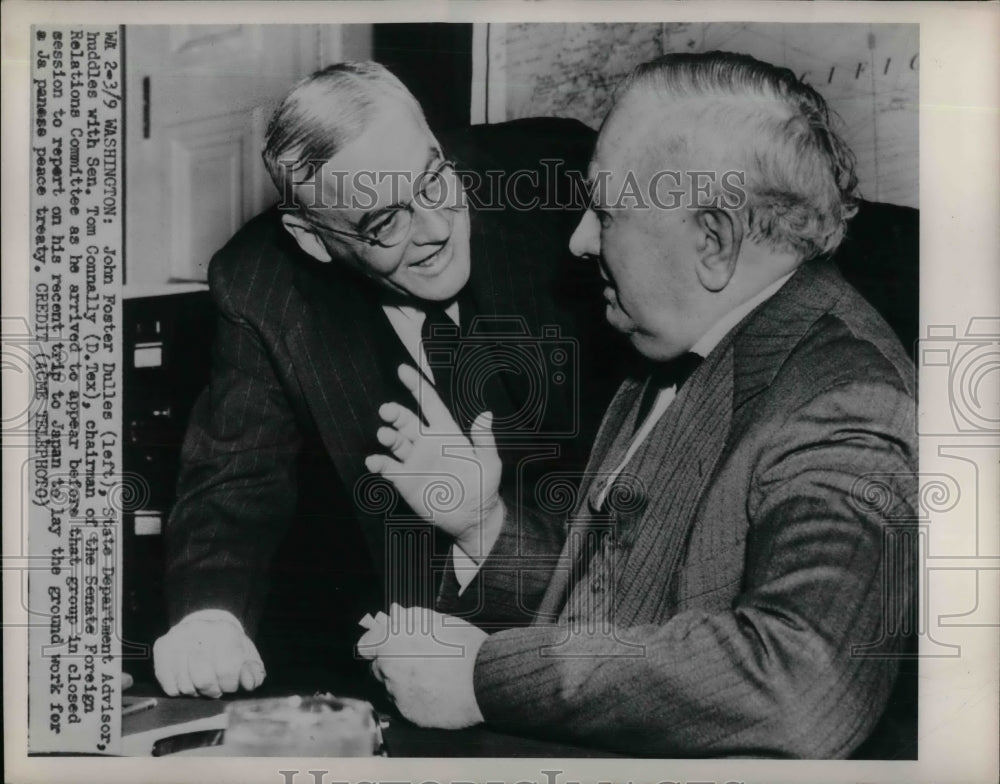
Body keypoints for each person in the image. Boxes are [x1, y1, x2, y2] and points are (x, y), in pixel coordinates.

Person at [360, 51, 918, 758]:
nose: (579, 240)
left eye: (605, 212)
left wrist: (481, 678)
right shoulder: (674, 344)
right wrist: (484, 525)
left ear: (713, 241)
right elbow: (628, 609)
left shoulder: (848, 401)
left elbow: (804, 682)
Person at [152, 62, 615, 699]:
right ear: (314, 239)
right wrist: (210, 618)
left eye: (433, 180)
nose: (436, 229)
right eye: (383, 223)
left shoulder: (555, 184)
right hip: (421, 652)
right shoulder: (263, 285)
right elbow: (234, 479)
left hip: (600, 612)